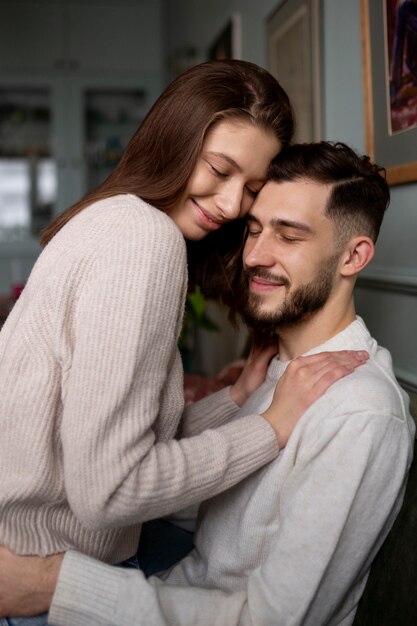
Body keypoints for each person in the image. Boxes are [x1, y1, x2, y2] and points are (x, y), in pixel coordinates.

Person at [0, 61, 367, 626]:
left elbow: (115, 442)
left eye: (249, 189)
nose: (228, 206)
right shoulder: (143, 241)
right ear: (175, 138)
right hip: (42, 576)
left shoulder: (111, 219)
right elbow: (111, 489)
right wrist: (270, 428)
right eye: (219, 169)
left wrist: (238, 397)